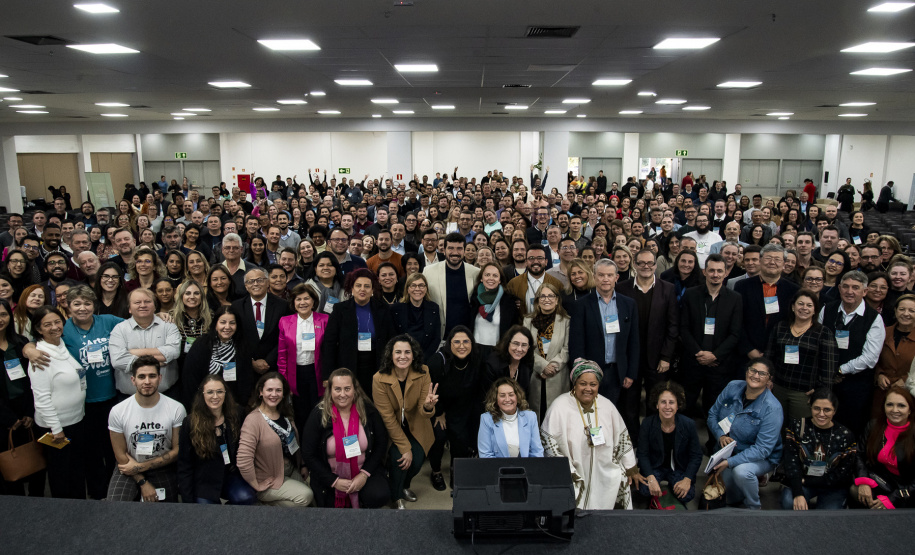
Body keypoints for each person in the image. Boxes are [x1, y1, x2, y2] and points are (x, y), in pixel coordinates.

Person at [541, 359, 638, 510]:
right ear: (575, 384)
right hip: (573, 471)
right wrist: (567, 471)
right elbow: (549, 442)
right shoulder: (559, 407)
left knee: (619, 477)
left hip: (604, 470)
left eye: (593, 384)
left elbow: (622, 438)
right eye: (583, 384)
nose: (588, 388)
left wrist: (630, 466)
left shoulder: (607, 406)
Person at [301, 368, 391, 508]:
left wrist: (364, 474)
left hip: (364, 470)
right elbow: (308, 453)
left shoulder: (369, 411)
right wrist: (335, 481)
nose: (342, 394)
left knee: (379, 495)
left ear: (355, 389)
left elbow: (381, 443)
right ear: (330, 390)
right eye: (337, 389)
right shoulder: (318, 415)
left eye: (347, 389)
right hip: (330, 475)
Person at [616, 249, 679, 443]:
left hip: (658, 358)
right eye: (641, 263)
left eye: (650, 263)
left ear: (655, 265)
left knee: (655, 401)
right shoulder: (622, 288)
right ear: (634, 264)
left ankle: (654, 439)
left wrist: (667, 357)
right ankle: (633, 440)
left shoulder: (667, 288)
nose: (646, 267)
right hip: (630, 357)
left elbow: (673, 326)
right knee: (630, 403)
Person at [707, 358, 784, 510]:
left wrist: (730, 462)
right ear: (746, 371)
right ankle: (753, 479)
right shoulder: (732, 387)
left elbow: (763, 449)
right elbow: (712, 414)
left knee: (741, 472)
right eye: (753, 370)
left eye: (762, 373)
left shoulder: (772, 408)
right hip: (728, 451)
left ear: (769, 378)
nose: (756, 376)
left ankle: (754, 506)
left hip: (761, 457)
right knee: (728, 498)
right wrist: (720, 435)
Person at [107, 355, 186, 502]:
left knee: (167, 514)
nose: (147, 382)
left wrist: (141, 467)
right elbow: (120, 455)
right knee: (114, 508)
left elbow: (177, 451)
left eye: (152, 376)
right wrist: (142, 480)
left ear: (160, 378)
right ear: (133, 380)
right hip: (129, 468)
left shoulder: (176, 408)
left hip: (163, 466)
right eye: (141, 377)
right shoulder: (118, 411)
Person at [372, 334, 438, 509]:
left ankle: (404, 486)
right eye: (398, 352)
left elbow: (425, 412)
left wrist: (428, 406)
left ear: (413, 354)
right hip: (391, 430)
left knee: (416, 462)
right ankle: (396, 496)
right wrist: (405, 447)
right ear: (390, 355)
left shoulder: (423, 372)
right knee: (399, 458)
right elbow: (386, 417)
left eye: (407, 352)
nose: (403, 356)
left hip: (417, 425)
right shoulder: (379, 378)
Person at [28, 306, 87, 499]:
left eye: (57, 322)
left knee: (76, 469)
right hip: (56, 427)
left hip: (76, 420)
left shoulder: (62, 346)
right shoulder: (40, 357)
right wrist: (56, 429)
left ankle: (80, 508)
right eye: (47, 324)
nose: (54, 327)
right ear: (38, 329)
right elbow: (42, 399)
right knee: (60, 474)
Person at [819, 271, 885, 437]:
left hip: (856, 385)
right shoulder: (827, 309)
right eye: (846, 287)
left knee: (850, 426)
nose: (850, 291)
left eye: (855, 288)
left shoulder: (874, 318)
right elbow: (816, 340)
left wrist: (841, 370)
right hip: (826, 381)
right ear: (839, 288)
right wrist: (829, 371)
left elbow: (870, 358)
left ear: (864, 291)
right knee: (823, 423)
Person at [680, 254, 744, 419]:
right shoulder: (691, 294)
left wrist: (715, 355)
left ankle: (713, 443)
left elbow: (735, 333)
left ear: (726, 273)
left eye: (719, 271)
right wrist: (699, 354)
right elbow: (684, 328)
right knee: (685, 406)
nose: (715, 274)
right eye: (712, 270)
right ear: (704, 272)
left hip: (719, 365)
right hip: (693, 362)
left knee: (715, 409)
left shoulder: (735, 298)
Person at [177, 375, 256, 505]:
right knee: (208, 516)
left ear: (225, 393)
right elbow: (184, 463)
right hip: (204, 480)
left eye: (219, 391)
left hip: (230, 475)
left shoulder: (237, 414)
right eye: (210, 392)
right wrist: (188, 500)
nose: (215, 396)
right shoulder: (190, 422)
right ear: (202, 394)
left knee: (246, 497)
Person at [237, 372, 314, 507]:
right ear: (261, 392)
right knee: (305, 497)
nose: (274, 394)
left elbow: (294, 443)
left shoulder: (285, 413)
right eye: (269, 390)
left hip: (289, 470)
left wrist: (302, 465)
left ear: (284, 393)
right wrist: (256, 484)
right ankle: (262, 507)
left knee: (313, 502)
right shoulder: (253, 420)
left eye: (278, 390)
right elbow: (243, 460)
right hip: (268, 479)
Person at [568, 259, 639, 405]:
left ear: (616, 278)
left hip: (618, 371)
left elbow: (634, 341)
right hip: (590, 372)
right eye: (601, 275)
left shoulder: (628, 304)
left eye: (609, 275)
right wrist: (581, 372)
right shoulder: (581, 305)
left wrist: (630, 373)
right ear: (594, 277)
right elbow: (576, 342)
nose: (605, 279)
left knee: (613, 414)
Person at [426, 326, 487, 491]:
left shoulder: (476, 358)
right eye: (457, 342)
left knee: (461, 438)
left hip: (462, 407)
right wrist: (439, 413)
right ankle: (436, 471)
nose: (462, 346)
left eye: (466, 341)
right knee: (439, 436)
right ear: (449, 344)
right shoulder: (438, 361)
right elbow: (429, 391)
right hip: (439, 408)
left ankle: (456, 469)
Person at [765, 289, 838, 420]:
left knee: (799, 431)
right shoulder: (780, 327)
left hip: (804, 393)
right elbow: (769, 356)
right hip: (778, 388)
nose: (804, 308)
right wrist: (768, 380)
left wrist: (821, 391)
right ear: (793, 307)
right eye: (800, 304)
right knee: (775, 425)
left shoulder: (823, 332)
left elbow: (828, 367)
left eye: (809, 305)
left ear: (815, 310)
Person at [780, 388, 857, 510]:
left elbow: (842, 474)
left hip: (832, 486)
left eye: (827, 410)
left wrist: (807, 481)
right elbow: (791, 463)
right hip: (802, 482)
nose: (821, 414)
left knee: (826, 517)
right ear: (810, 407)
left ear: (834, 411)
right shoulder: (798, 426)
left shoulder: (845, 435)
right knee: (789, 503)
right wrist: (798, 492)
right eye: (817, 408)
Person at [322, 269, 395, 391]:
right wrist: (327, 374)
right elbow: (329, 343)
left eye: (367, 286)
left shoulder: (383, 309)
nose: (362, 289)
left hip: (376, 365)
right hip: (348, 364)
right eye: (358, 285)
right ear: (352, 288)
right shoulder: (340, 310)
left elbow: (391, 339)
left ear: (372, 290)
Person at [635, 382, 703, 506]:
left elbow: (696, 456)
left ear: (678, 406)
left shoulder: (688, 424)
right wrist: (650, 477)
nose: (667, 406)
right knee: (644, 490)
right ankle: (665, 488)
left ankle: (672, 486)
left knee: (687, 494)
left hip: (678, 467)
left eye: (671, 402)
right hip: (656, 466)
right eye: (663, 402)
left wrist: (687, 480)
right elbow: (642, 454)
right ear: (656, 405)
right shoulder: (647, 423)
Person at [109, 288, 182, 398]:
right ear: (129, 308)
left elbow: (174, 351)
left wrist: (135, 352)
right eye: (137, 302)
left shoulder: (168, 325)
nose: (143, 305)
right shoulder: (119, 329)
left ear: (155, 306)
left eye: (147, 301)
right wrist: (159, 361)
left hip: (167, 394)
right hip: (128, 397)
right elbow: (118, 361)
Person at [278, 283, 329, 434]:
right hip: (296, 374)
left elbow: (329, 351)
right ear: (293, 303)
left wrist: (328, 376)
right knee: (300, 413)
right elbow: (282, 354)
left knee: (318, 411)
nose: (303, 303)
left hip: (317, 373)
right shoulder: (285, 322)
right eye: (298, 299)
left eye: (306, 298)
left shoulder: (325, 320)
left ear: (313, 301)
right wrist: (284, 381)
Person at [735, 244, 800, 362]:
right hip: (747, 354)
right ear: (760, 261)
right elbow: (736, 321)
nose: (772, 262)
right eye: (768, 258)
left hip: (779, 353)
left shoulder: (794, 290)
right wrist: (748, 349)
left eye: (777, 259)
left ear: (784, 263)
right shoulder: (742, 286)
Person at [852, 387, 915, 508]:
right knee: (855, 490)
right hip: (881, 483)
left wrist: (893, 498)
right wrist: (863, 480)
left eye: (901, 406)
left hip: (907, 492)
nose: (894, 410)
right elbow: (859, 454)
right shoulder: (873, 426)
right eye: (890, 405)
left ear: (910, 410)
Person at [231, 267, 291, 381]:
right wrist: (251, 361)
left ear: (267, 282)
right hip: (246, 367)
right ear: (246, 286)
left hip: (273, 366)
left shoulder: (282, 306)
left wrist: (269, 361)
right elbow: (236, 338)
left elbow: (286, 336)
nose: (255, 284)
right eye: (251, 281)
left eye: (260, 280)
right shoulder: (237, 307)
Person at [523, 282, 570, 422]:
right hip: (535, 375)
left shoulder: (566, 321)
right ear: (537, 300)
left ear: (557, 300)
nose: (546, 299)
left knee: (556, 417)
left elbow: (567, 349)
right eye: (542, 296)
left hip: (558, 375)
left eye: (551, 296)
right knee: (536, 414)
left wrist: (553, 366)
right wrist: (543, 365)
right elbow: (525, 348)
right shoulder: (528, 320)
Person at [423, 232, 480, 337]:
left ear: (464, 251)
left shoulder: (476, 273)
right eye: (451, 248)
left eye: (459, 248)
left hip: (467, 336)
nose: (455, 252)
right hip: (439, 336)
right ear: (444, 251)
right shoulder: (428, 272)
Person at [477, 377, 545, 458]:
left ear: (517, 396)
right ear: (495, 398)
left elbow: (537, 452)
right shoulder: (487, 419)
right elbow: (485, 455)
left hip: (526, 468)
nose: (507, 399)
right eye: (502, 395)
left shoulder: (530, 416)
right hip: (497, 469)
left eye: (511, 394)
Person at [876, 295, 915, 412]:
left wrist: (906, 380)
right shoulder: (883, 332)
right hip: (881, 392)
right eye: (902, 309)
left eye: (912, 311)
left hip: (909, 395)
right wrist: (879, 374)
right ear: (895, 310)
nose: (906, 314)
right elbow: (872, 357)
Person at [390, 272, 441, 361]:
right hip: (402, 357)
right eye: (413, 285)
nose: (417, 289)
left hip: (426, 357)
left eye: (421, 285)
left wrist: (423, 358)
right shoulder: (396, 309)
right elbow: (393, 336)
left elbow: (436, 338)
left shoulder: (434, 308)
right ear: (408, 289)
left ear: (426, 289)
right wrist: (405, 356)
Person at [470, 261, 520, 347]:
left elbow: (514, 330)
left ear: (500, 280)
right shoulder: (474, 299)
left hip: (498, 352)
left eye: (495, 275)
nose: (491, 278)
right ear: (481, 278)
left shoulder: (509, 301)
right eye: (487, 275)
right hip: (475, 351)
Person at [484, 324, 535, 393]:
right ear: (508, 343)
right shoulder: (493, 363)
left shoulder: (528, 361)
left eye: (524, 345)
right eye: (516, 343)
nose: (519, 349)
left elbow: (524, 392)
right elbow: (488, 394)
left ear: (529, 347)